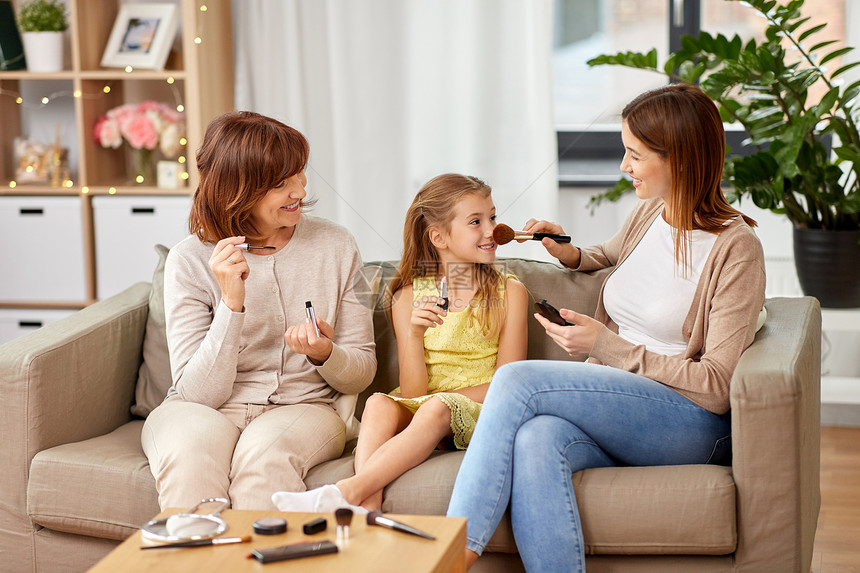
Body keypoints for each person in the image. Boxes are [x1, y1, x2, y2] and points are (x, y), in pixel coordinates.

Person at [446, 83, 767, 572]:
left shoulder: (735, 248)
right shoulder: (650, 214)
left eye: (635, 155)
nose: (623, 166)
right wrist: (566, 250)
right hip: (625, 406)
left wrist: (608, 346)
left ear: (678, 159)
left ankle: (448, 556)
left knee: (516, 380)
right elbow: (609, 255)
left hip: (691, 422)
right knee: (537, 439)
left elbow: (718, 386)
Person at [142, 111, 377, 510]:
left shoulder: (336, 246)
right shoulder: (189, 260)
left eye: (299, 175)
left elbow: (362, 371)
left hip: (303, 407)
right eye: (281, 184)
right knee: (189, 458)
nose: (300, 191)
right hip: (202, 409)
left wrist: (324, 353)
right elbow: (197, 394)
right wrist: (231, 305)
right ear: (238, 189)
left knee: (263, 462)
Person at [272, 173, 529, 513]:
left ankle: (347, 491)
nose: (491, 230)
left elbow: (508, 383)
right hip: (425, 408)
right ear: (438, 236)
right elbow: (411, 393)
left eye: (492, 217)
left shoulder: (509, 291)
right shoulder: (407, 297)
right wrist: (412, 334)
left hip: (483, 409)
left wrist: (440, 401)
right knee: (379, 403)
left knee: (436, 408)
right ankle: (369, 507)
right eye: (475, 221)